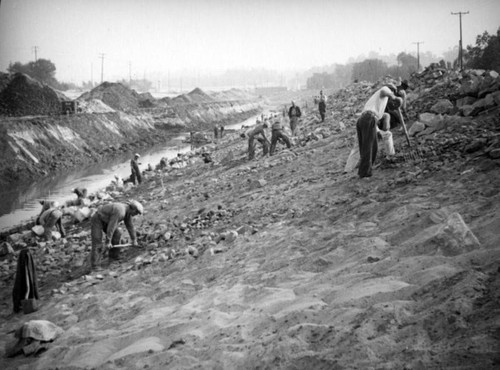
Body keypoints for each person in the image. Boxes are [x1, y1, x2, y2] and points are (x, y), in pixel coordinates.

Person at [356, 84, 399, 178]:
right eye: (393, 92)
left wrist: (377, 130)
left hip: (364, 119)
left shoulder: (378, 101)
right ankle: (364, 173)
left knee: (369, 147)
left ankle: (364, 170)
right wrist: (393, 96)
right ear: (392, 90)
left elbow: (375, 117)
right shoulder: (385, 90)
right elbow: (384, 91)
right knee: (369, 148)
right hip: (368, 118)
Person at [89, 200, 143, 270]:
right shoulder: (120, 211)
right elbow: (111, 227)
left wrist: (134, 239)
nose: (135, 215)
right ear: (133, 209)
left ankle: (113, 256)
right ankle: (95, 266)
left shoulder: (127, 213)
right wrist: (108, 242)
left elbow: (130, 226)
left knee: (117, 235)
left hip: (107, 220)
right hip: (98, 219)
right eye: (136, 213)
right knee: (97, 242)